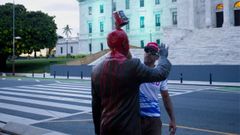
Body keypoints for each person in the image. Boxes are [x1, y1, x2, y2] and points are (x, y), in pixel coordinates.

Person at [91, 10, 172, 135]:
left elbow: (95, 107)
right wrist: (164, 57)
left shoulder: (96, 70)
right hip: (127, 130)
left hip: (106, 128)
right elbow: (160, 73)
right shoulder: (133, 66)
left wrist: (98, 131)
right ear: (126, 45)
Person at [139, 42, 176, 135]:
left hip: (154, 120)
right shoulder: (137, 68)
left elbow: (166, 97)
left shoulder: (160, 75)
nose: (148, 53)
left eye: (151, 52)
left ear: (157, 57)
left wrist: (172, 119)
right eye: (146, 50)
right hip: (136, 118)